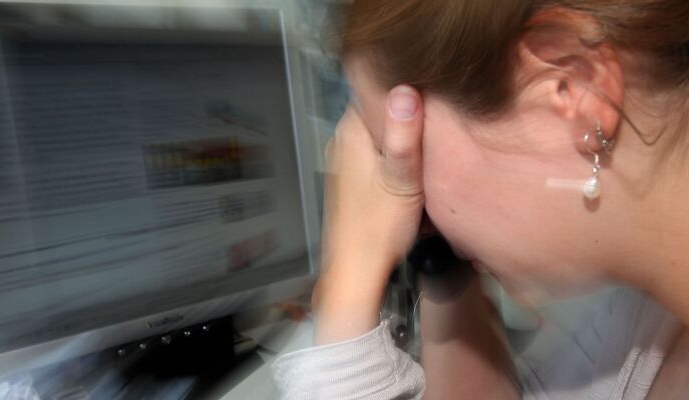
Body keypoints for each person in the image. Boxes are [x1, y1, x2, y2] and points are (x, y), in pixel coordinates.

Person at [271, 0, 689, 399]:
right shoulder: (647, 318)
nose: (409, 200)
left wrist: (352, 271)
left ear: (572, 86)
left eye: (409, 152)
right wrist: (437, 251)